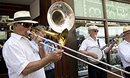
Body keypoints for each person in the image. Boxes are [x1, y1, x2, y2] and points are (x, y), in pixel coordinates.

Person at [2, 10, 63, 78]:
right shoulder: (12, 44)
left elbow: (42, 58)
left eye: (30, 25)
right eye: (26, 25)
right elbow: (25, 69)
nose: (29, 28)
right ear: (16, 25)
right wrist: (49, 58)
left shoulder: (26, 40)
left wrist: (40, 45)